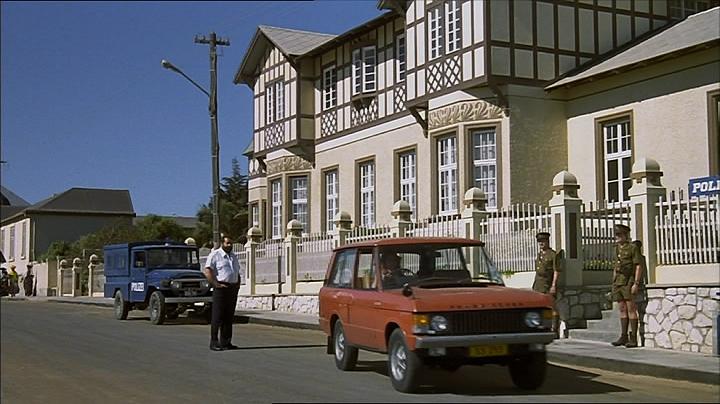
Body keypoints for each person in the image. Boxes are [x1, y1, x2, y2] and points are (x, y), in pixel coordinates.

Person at [203, 236, 242, 351]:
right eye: (227, 243)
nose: (229, 245)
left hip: (232, 288)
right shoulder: (215, 255)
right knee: (217, 316)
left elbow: (236, 272)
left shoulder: (233, 257)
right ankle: (214, 342)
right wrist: (216, 284)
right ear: (222, 243)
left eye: (231, 243)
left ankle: (226, 342)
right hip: (221, 288)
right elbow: (208, 271)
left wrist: (237, 284)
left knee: (229, 316)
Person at [610, 224, 643, 348]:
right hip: (618, 281)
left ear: (625, 235)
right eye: (616, 235)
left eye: (619, 235)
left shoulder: (632, 248)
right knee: (622, 309)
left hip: (628, 281)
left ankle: (633, 338)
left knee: (631, 309)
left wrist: (636, 283)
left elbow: (638, 265)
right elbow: (616, 266)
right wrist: (613, 281)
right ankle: (623, 336)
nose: (617, 237)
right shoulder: (617, 248)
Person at [532, 232, 562, 337]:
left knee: (552, 307)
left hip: (548, 284)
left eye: (543, 241)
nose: (541, 244)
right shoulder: (539, 255)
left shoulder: (553, 255)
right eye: (539, 242)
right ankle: (541, 327)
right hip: (538, 284)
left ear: (547, 241)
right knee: (538, 307)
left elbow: (556, 271)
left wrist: (553, 285)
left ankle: (555, 329)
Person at [633, 239, 648, 347]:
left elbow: (643, 270)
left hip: (637, 285)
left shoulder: (640, 259)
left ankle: (632, 335)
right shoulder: (639, 258)